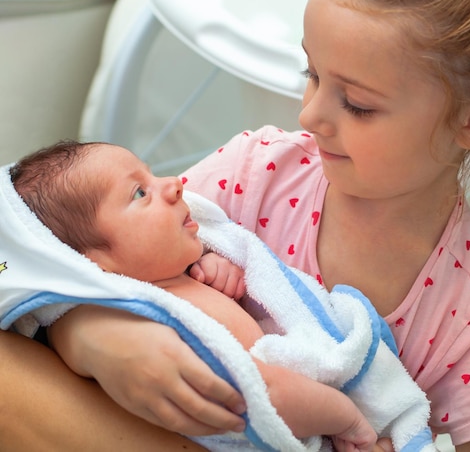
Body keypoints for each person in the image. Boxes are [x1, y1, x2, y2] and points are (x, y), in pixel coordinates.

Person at [0, 0, 470, 451]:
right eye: (311, 73)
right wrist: (92, 333)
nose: (309, 116)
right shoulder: (256, 172)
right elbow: (76, 250)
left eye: (357, 104)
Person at [9, 139, 390, 452]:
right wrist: (349, 417)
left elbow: (249, 310)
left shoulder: (178, 278)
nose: (174, 183)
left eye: (152, 174)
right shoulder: (145, 320)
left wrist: (216, 268)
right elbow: (256, 394)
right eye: (140, 192)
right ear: (92, 263)